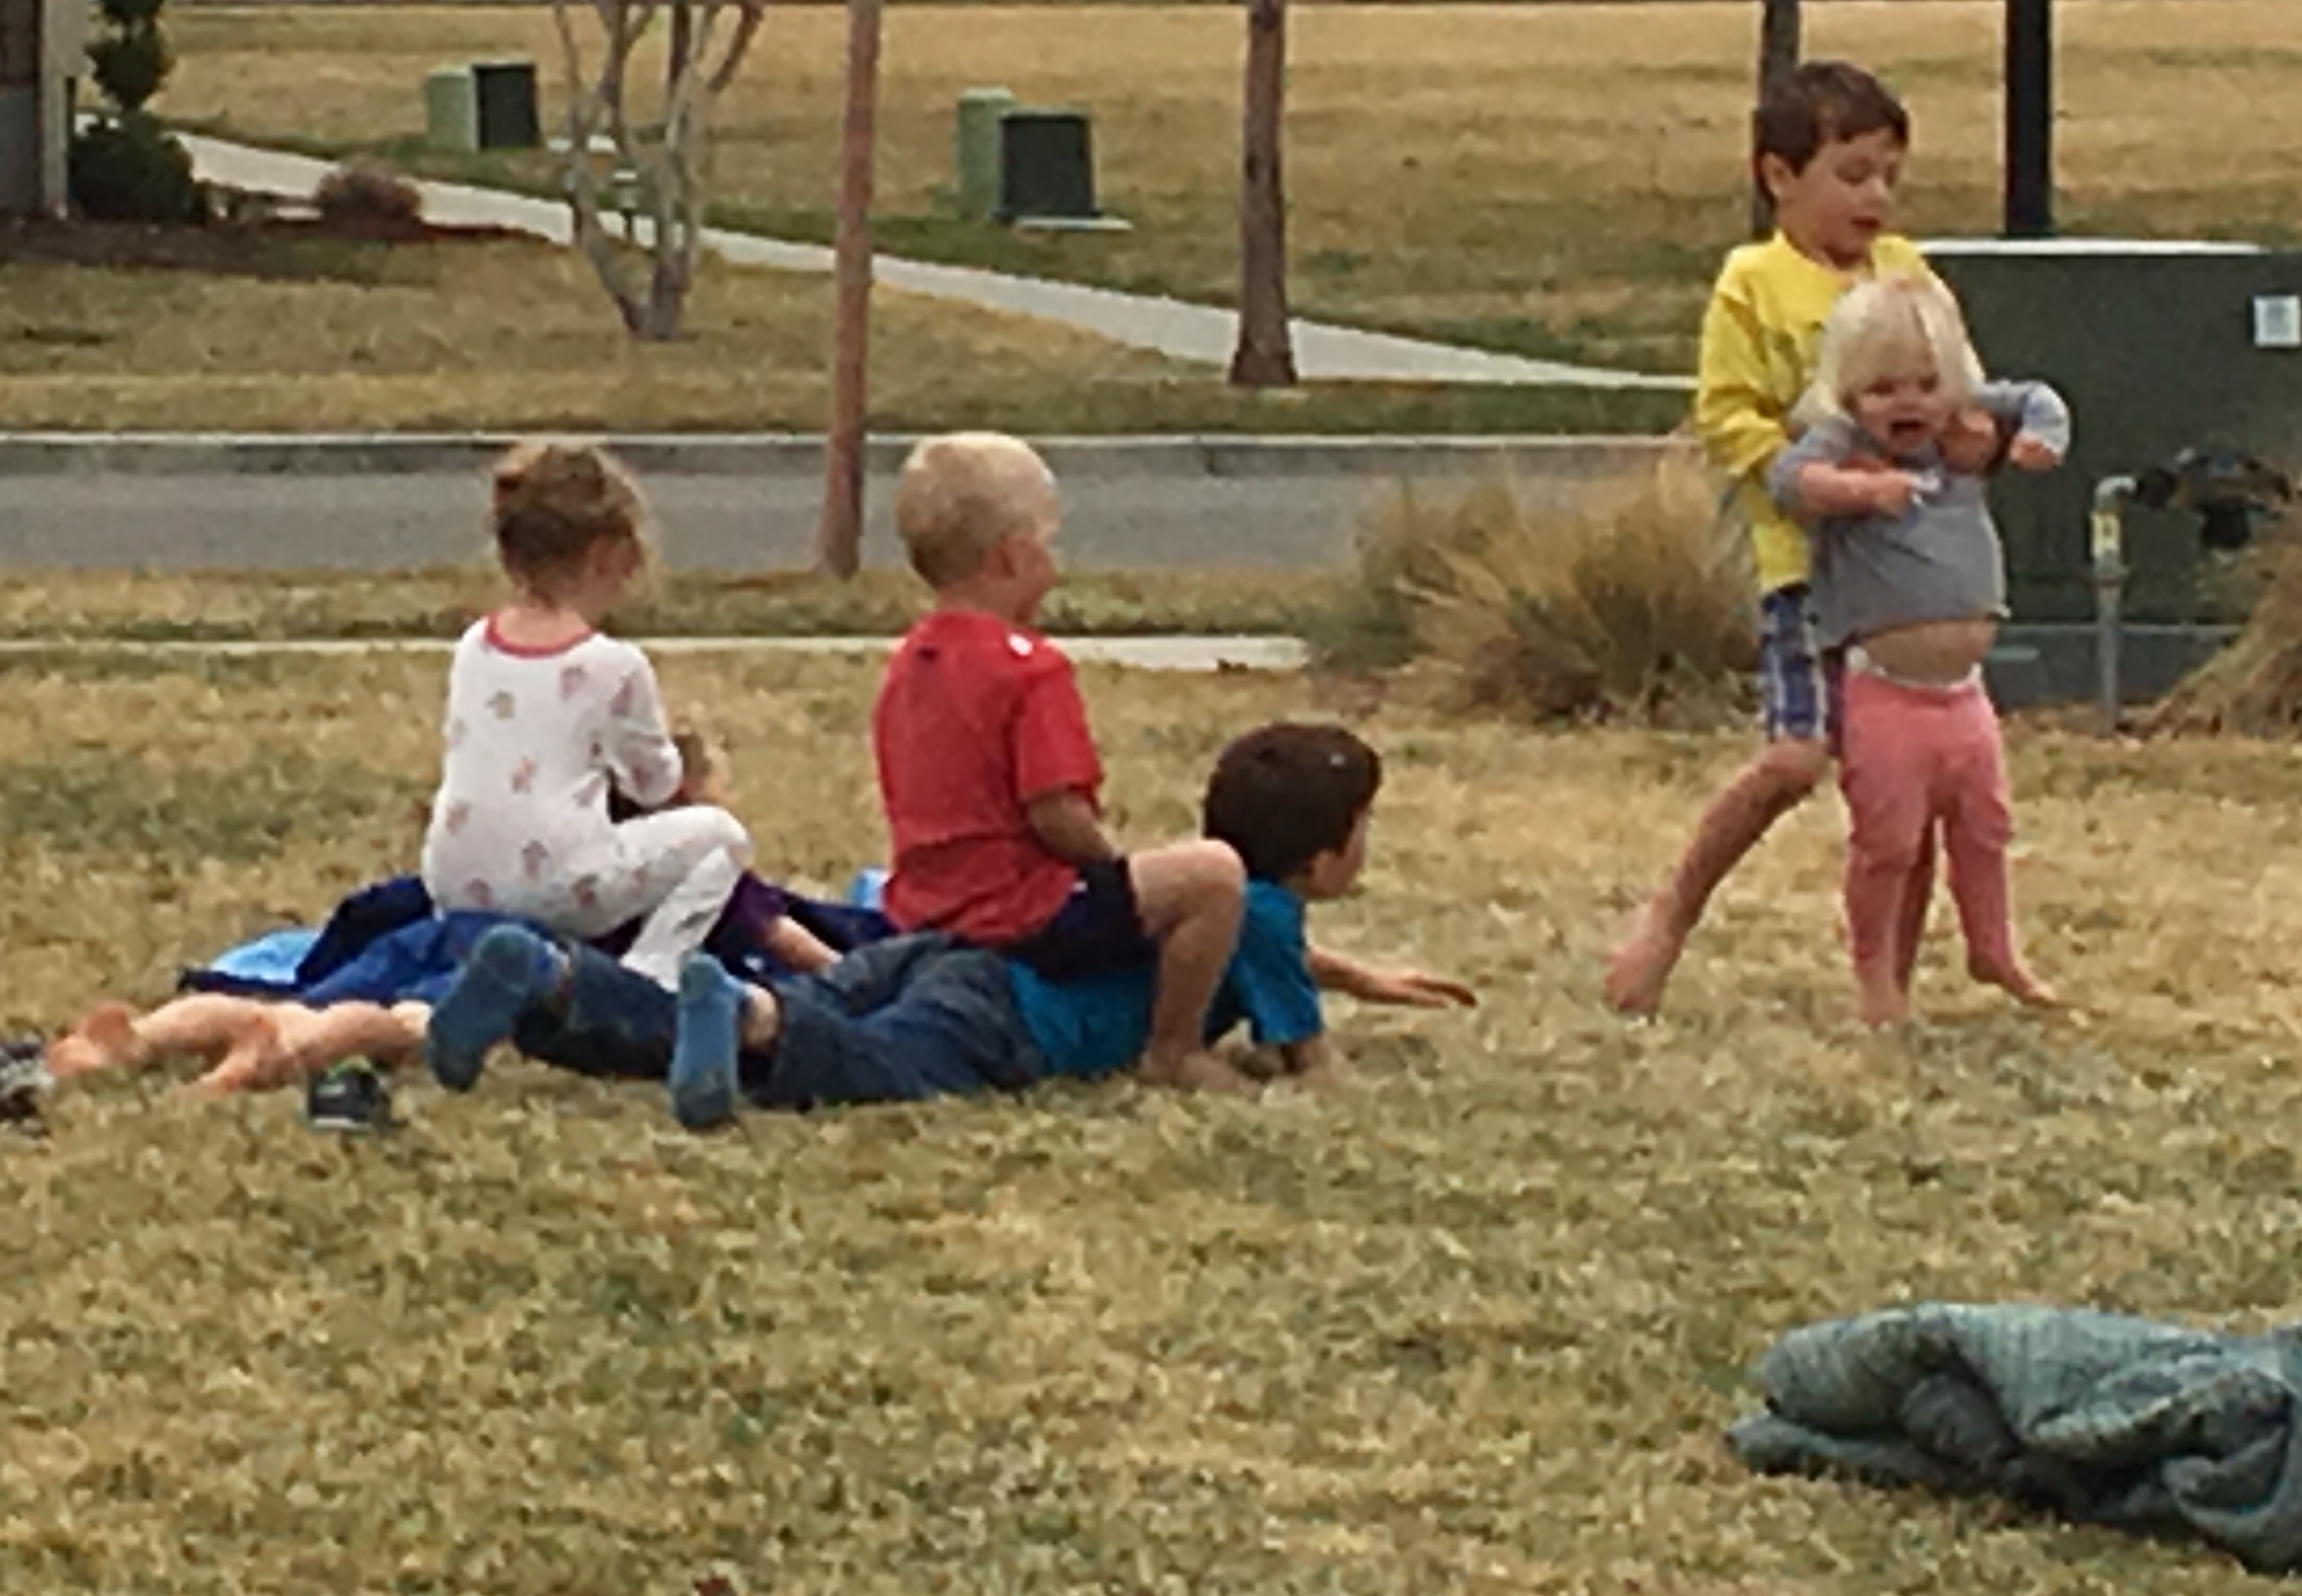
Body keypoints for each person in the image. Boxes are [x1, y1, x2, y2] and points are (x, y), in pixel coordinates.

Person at [94, 722, 1473, 1131]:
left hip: (943, 951)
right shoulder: (1251, 912)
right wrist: (1296, 1064)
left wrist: (1366, 973)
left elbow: (1252, 942)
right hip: (997, 1022)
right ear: (1327, 853)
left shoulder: (1224, 904)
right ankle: (740, 1012)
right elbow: (1295, 1043)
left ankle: (552, 983)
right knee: (838, 1059)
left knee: (713, 1028)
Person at [1601, 60, 1993, 1017]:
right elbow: (1725, 416)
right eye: (1851, 174)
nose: (1875, 197)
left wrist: (1978, 433)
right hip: (1803, 571)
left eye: (1889, 175)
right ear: (1778, 175)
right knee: (1792, 761)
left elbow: (1959, 385)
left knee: (1905, 789)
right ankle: (1669, 918)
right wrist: (1810, 478)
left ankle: (1887, 987)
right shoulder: (1753, 284)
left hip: (1902, 581)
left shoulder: (1908, 274)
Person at [871, 431, 1246, 1091]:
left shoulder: (908, 662)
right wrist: (1110, 866)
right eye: (1051, 541)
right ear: (1014, 557)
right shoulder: (1031, 669)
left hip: (923, 904)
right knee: (1214, 875)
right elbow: (1055, 811)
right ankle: (1174, 1048)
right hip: (1020, 913)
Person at [1770, 279, 2069, 1027]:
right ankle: (1876, 977)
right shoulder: (1846, 444)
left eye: (1926, 386)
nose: (1907, 404)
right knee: (1889, 841)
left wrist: (2038, 440)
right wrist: (1859, 493)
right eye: (1882, 390)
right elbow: (1787, 481)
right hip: (1884, 690)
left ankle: (1993, 948)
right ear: (1847, 393)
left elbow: (2040, 397)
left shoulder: (1962, 429)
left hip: (1964, 693)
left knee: (1986, 825)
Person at [420, 442, 752, 988]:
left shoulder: (474, 644)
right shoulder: (614, 665)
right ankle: (647, 978)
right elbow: (653, 785)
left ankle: (504, 974)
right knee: (722, 838)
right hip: (558, 881)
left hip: (453, 881)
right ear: (604, 555)